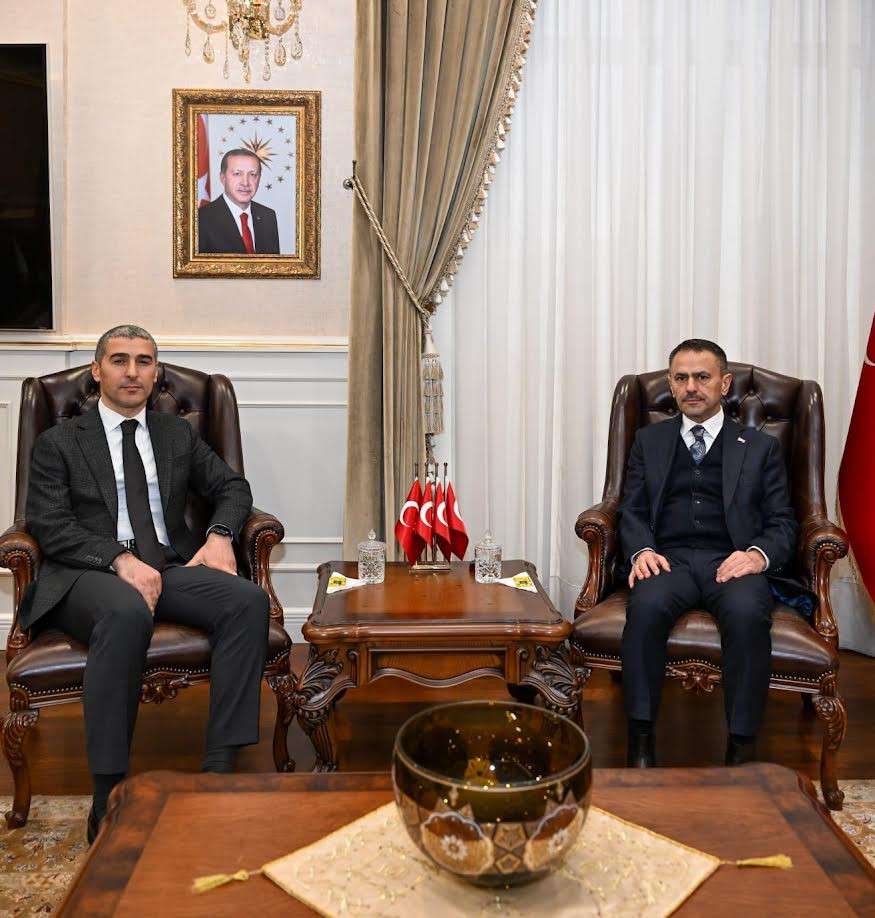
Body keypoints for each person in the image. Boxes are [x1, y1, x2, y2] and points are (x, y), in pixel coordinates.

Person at [22, 324, 270, 843]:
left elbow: (232, 487)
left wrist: (221, 534)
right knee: (126, 610)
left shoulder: (175, 434)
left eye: (144, 361)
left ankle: (218, 773)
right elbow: (48, 524)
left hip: (166, 566)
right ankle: (108, 795)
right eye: (119, 360)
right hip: (86, 575)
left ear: (156, 373)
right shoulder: (60, 441)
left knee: (246, 601)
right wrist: (118, 559)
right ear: (97, 371)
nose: (132, 372)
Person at [619, 339, 800, 769]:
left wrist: (756, 555)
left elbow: (783, 521)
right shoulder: (649, 441)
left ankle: (741, 747)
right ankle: (640, 742)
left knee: (747, 614)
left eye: (702, 377)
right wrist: (641, 550)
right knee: (645, 607)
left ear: (725, 383)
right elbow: (631, 509)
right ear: (670, 385)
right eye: (681, 378)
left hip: (733, 561)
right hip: (670, 559)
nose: (691, 387)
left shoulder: (760, 447)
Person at [197, 149, 280, 255]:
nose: (245, 183)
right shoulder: (201, 219)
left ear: (259, 178)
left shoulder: (268, 216)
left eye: (252, 174)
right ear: (223, 178)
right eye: (237, 174)